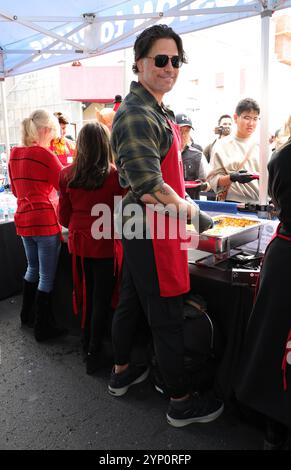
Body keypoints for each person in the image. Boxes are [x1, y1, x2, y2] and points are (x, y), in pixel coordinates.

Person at [108, 24, 223, 428]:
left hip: (146, 223)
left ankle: (122, 372)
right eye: (160, 59)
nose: (169, 66)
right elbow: (151, 187)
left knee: (132, 302)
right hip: (152, 225)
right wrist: (196, 214)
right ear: (139, 63)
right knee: (167, 315)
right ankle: (181, 401)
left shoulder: (155, 108)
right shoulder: (138, 113)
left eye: (175, 60)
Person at [235, 115, 291, 450]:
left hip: (284, 253)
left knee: (273, 340)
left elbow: (278, 197)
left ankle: (274, 426)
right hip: (286, 252)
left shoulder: (282, 157)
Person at [58, 122, 124, 375]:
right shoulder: (115, 176)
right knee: (101, 299)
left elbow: (63, 216)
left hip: (78, 243)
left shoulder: (66, 174)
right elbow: (121, 216)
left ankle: (87, 344)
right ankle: (94, 352)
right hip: (106, 245)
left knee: (83, 294)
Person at [8, 109, 66, 342]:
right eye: (52, 132)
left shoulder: (14, 154)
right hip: (44, 221)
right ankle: (43, 328)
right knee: (47, 276)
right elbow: (65, 186)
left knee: (32, 268)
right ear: (44, 130)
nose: (53, 137)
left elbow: (14, 190)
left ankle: (26, 316)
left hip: (23, 219)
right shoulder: (45, 155)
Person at [207, 98, 260, 204]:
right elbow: (213, 180)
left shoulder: (261, 145)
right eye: (246, 118)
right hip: (232, 204)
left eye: (255, 118)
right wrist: (233, 177)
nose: (251, 123)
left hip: (260, 205)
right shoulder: (221, 145)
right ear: (236, 118)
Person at [176, 112, 210, 199]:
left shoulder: (197, 155)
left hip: (192, 204)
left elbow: (209, 183)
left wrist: (202, 185)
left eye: (187, 131)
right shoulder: (164, 153)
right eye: (180, 131)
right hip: (167, 204)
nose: (183, 135)